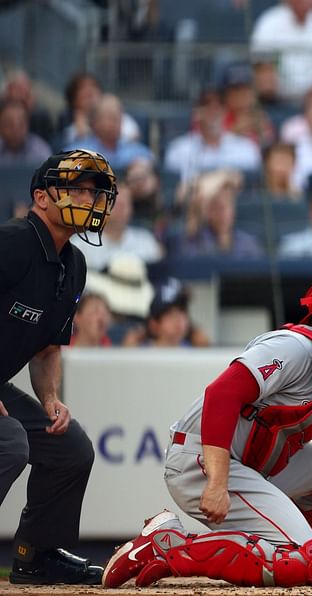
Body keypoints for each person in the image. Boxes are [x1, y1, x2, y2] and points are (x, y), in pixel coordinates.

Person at [101, 265, 312, 588]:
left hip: (252, 465)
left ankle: (279, 546)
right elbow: (221, 396)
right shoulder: (295, 346)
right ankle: (169, 547)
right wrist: (218, 482)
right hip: (203, 460)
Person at [0, 149, 117, 584]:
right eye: (76, 189)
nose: (89, 199)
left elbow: (49, 346)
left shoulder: (74, 264)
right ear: (41, 197)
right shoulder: (14, 241)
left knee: (69, 447)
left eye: (94, 191)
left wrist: (50, 399)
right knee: (9, 441)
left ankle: (37, 557)